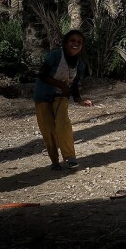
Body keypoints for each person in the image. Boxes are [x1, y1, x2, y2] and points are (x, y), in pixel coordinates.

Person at [33, 30, 93, 170]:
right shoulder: (55, 56)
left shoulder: (80, 65)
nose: (75, 44)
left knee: (63, 123)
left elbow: (74, 84)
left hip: (61, 97)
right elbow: (43, 75)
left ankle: (70, 157)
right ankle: (54, 161)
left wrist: (79, 100)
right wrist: (61, 85)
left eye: (79, 42)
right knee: (48, 130)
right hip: (43, 96)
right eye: (72, 41)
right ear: (66, 43)